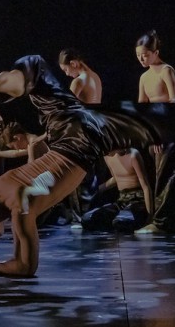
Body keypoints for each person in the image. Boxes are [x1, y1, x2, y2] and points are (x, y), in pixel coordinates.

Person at [0, 55, 175, 277]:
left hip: (82, 146)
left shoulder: (20, 211)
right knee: (42, 77)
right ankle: (21, 79)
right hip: (64, 127)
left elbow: (25, 268)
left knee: (142, 125)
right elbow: (32, 170)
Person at [134, 30, 175, 234]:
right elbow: (142, 108)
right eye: (139, 55)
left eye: (146, 54)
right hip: (155, 130)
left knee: (166, 175)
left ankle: (162, 222)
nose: (142, 58)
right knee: (162, 174)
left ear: (155, 52)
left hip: (168, 128)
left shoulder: (166, 70)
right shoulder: (144, 77)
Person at [58, 48, 103, 224]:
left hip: (82, 133)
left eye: (66, 70)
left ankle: (80, 217)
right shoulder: (96, 78)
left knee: (78, 176)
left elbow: (67, 111)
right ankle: (91, 214)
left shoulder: (78, 82)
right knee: (91, 176)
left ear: (74, 63)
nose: (68, 74)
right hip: (97, 131)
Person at [81, 148, 153, 233]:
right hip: (121, 200)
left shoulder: (133, 155)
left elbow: (146, 187)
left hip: (137, 200)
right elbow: (117, 177)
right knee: (87, 219)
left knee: (120, 221)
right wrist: (100, 188)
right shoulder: (108, 157)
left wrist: (150, 217)